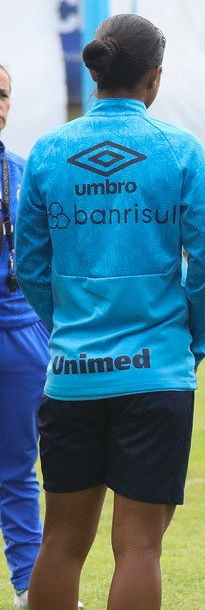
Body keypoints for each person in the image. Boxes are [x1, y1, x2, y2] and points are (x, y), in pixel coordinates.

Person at [13, 13, 205, 610]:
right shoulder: (178, 149)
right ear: (154, 77)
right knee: (138, 548)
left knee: (61, 542)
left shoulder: (50, 150)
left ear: (97, 73)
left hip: (72, 374)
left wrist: (66, 331)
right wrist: (193, 339)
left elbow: (30, 265)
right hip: (156, 372)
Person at [0, 63, 46, 610]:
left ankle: (31, 588)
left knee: (18, 470)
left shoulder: (25, 171)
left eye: (3, 94)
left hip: (21, 333)